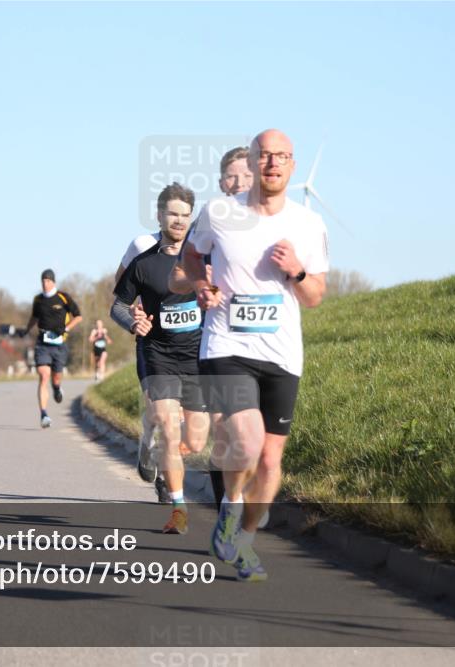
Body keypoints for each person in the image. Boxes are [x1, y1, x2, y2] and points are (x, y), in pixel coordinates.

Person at [182, 129, 329, 581]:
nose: (272, 164)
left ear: (292, 165)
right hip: (227, 344)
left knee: (269, 462)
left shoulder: (308, 224)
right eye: (264, 156)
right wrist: (202, 285)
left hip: (282, 354)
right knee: (245, 441)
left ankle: (242, 537)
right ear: (252, 160)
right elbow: (190, 258)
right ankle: (231, 506)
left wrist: (297, 271)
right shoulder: (219, 212)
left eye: (282, 157)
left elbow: (315, 296)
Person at [111, 183, 210, 534]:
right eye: (173, 214)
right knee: (170, 427)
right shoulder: (144, 262)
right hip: (158, 353)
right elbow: (118, 305)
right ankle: (179, 508)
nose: (179, 221)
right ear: (159, 215)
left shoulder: (203, 259)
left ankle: (156, 453)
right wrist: (132, 322)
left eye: (186, 215)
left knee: (195, 442)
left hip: (196, 356)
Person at [168, 146, 253, 509]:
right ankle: (228, 509)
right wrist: (200, 282)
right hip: (219, 340)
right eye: (233, 177)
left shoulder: (279, 220)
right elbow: (176, 279)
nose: (240, 183)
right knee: (225, 429)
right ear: (221, 183)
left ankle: (243, 496)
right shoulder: (212, 219)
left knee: (253, 437)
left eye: (247, 176)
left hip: (265, 346)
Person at [20, 269, 82, 428]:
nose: (45, 284)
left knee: (55, 377)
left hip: (60, 344)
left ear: (53, 282)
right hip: (43, 343)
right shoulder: (38, 300)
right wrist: (26, 330)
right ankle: (44, 414)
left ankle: (56, 388)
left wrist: (66, 328)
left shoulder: (63, 297)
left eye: (48, 281)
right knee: (44, 375)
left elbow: (78, 316)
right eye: (43, 281)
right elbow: (34, 317)